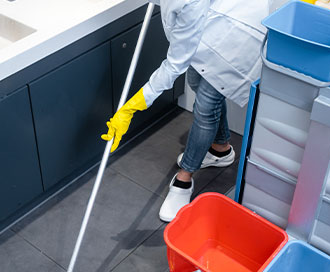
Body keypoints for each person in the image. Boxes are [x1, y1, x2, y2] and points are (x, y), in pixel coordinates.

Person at [101, 0, 269, 222]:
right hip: (215, 22)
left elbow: (175, 64)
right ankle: (221, 149)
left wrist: (134, 105)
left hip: (236, 35)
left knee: (206, 107)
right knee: (196, 82)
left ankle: (184, 179)